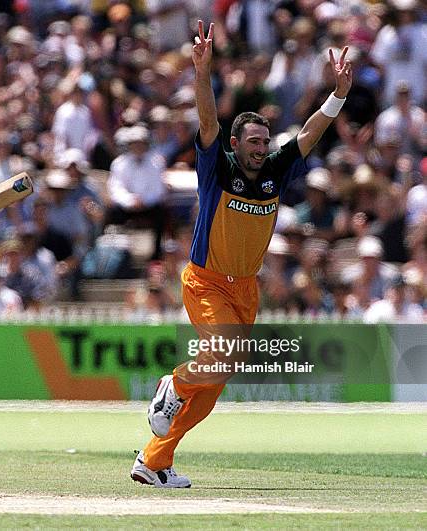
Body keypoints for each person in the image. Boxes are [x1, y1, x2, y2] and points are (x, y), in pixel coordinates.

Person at [131, 20, 353, 488]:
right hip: (206, 280)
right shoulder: (218, 167)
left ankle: (152, 462)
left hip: (245, 289)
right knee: (220, 357)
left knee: (213, 387)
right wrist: (202, 70)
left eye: (263, 141)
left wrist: (337, 95)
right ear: (235, 145)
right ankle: (172, 384)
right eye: (252, 142)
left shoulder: (275, 169)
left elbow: (310, 134)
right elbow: (208, 120)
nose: (260, 148)